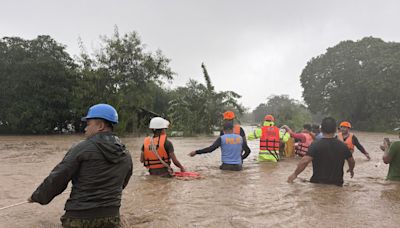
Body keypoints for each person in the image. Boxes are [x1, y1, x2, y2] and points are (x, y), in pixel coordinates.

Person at [28, 104, 133, 228]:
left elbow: (58, 178)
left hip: (79, 218)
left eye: (88, 124)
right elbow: (122, 184)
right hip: (111, 218)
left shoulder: (81, 148)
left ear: (100, 126)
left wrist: (37, 197)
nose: (85, 129)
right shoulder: (125, 153)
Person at [287, 117, 355, 186]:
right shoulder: (343, 146)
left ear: (321, 129)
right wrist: (351, 169)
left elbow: (305, 161)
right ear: (335, 129)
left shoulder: (315, 145)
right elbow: (351, 161)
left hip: (317, 184)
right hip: (337, 184)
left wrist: (295, 174)